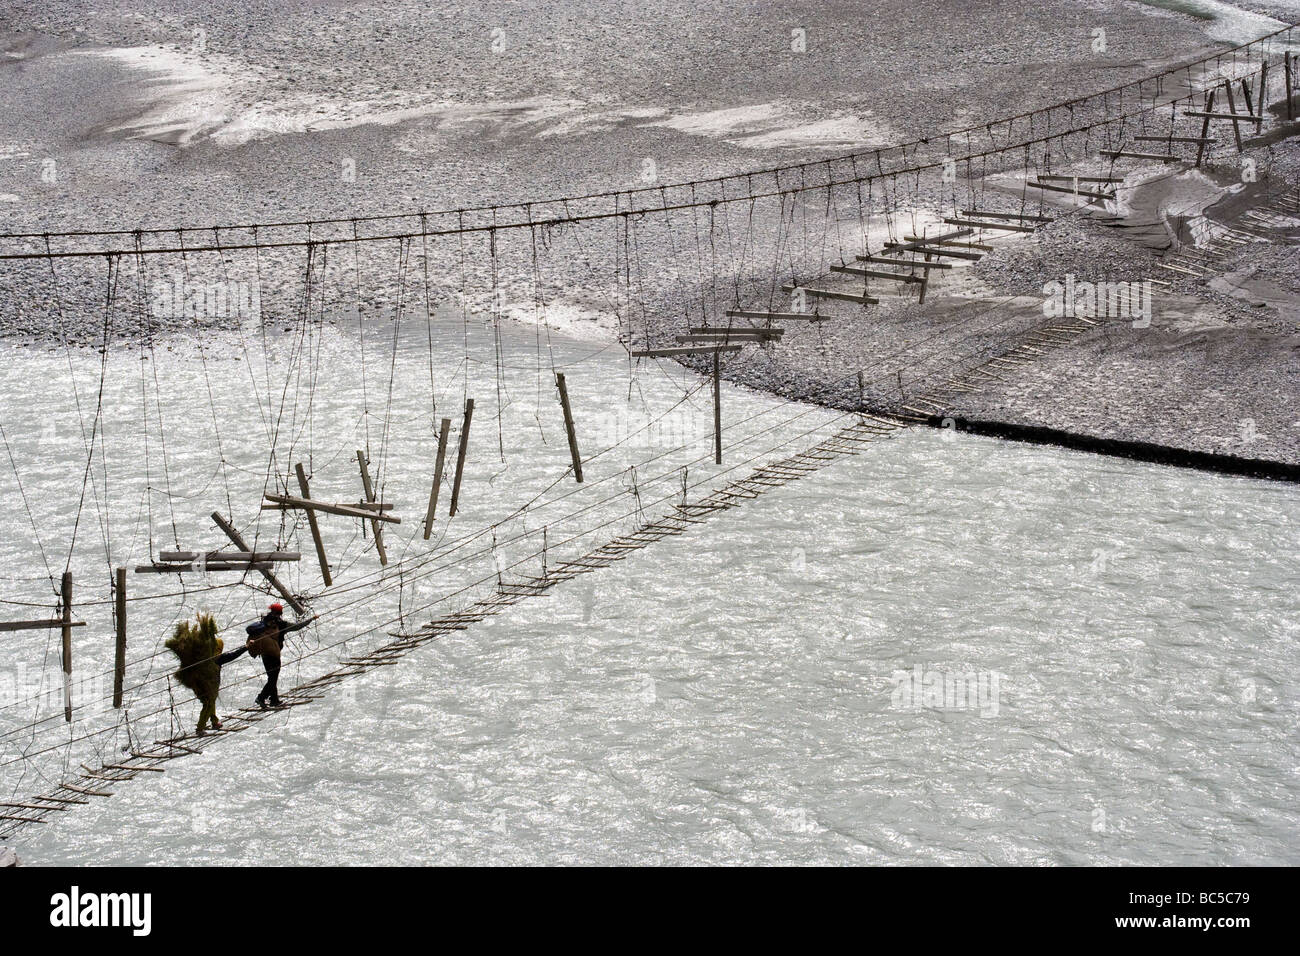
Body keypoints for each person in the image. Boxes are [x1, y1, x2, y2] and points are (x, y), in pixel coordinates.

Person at [245, 603, 317, 709]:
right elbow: (297, 627)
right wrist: (311, 619)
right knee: (273, 678)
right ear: (280, 613)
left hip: (264, 654)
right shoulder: (281, 624)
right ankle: (261, 697)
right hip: (274, 654)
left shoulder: (263, 622)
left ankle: (274, 699)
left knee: (272, 677)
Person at [195, 637, 248, 734]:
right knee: (208, 704)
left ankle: (214, 722)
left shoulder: (202, 656)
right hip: (209, 686)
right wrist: (245, 647)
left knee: (211, 703)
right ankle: (200, 728)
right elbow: (232, 655)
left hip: (198, 685)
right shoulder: (216, 658)